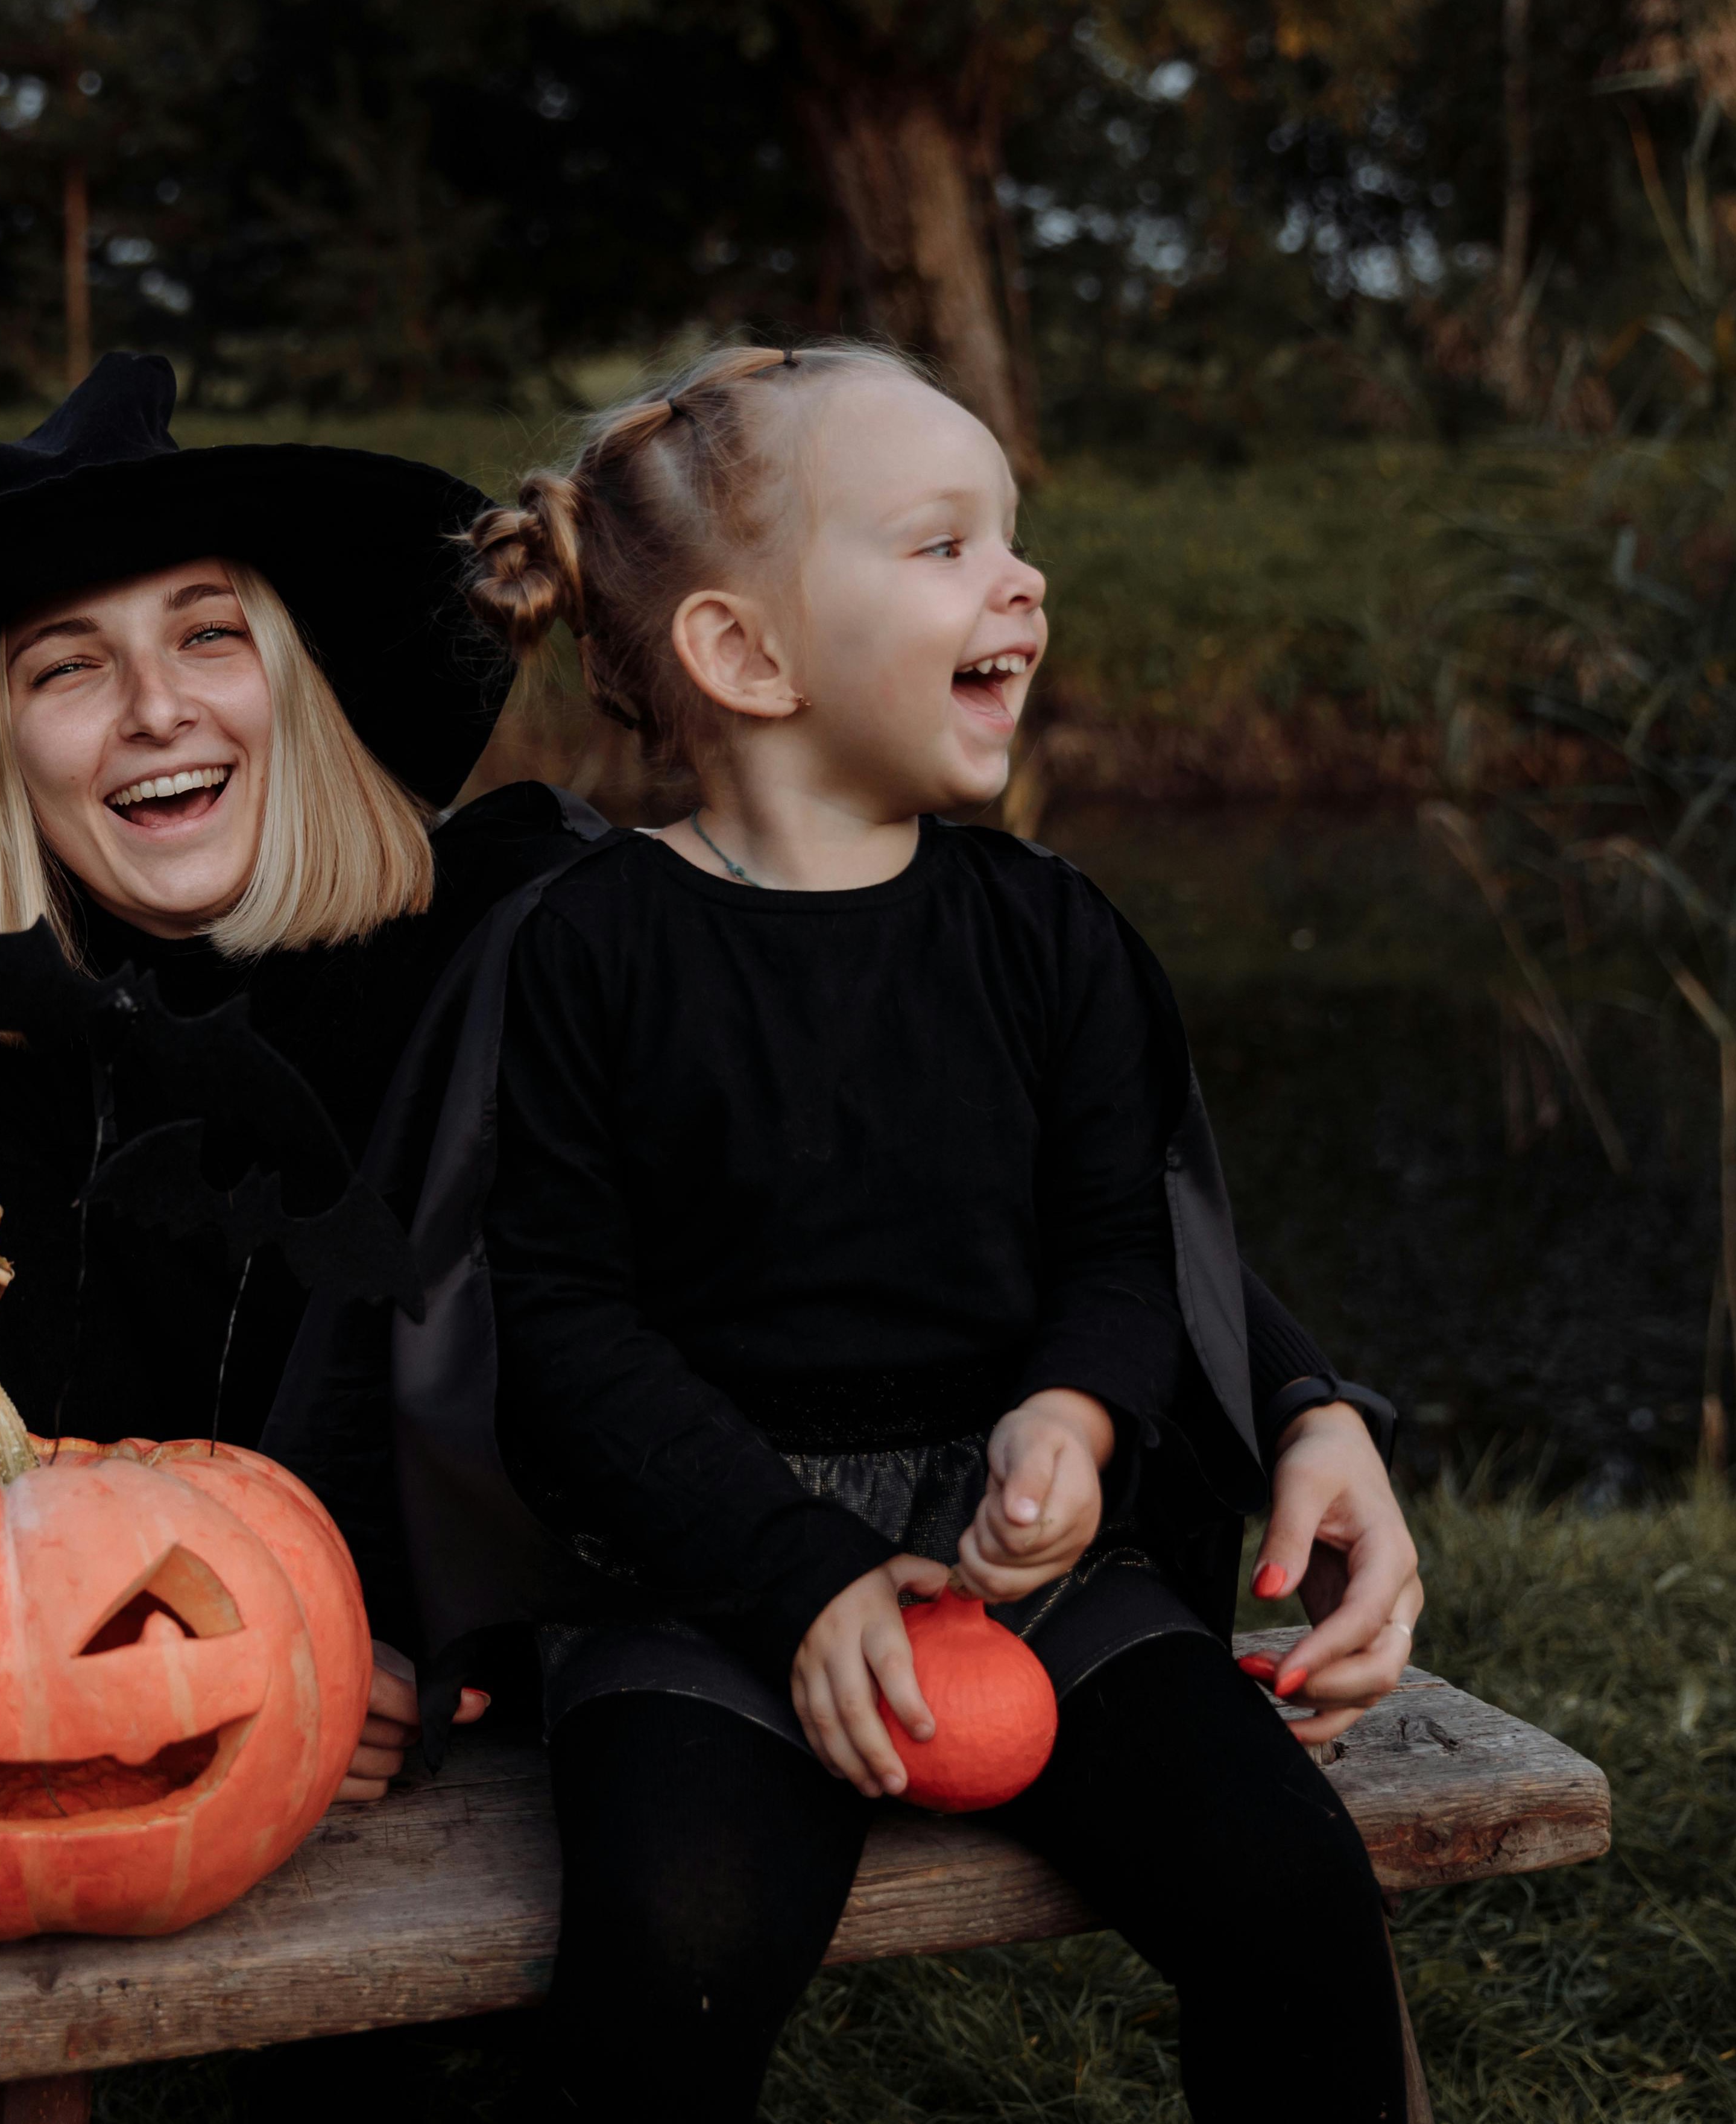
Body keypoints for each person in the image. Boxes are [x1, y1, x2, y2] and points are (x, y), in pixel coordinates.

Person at [453, 343, 1431, 2122]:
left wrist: (1071, 1412)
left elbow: (1119, 1244)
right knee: (671, 1945)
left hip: (1027, 1568)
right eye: (940, 543)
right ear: (742, 655)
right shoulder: (585, 953)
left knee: (1286, 1890)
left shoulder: (1045, 935)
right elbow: (564, 1321)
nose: (1020, 580)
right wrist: (788, 1569)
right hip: (702, 1577)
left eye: (1013, 538)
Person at [0, 352, 576, 1806]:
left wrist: (421, 1649)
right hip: (119, 1723)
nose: (154, 709)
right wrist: (251, 1664)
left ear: (288, 679)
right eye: (68, 667)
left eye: (206, 638)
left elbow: (609, 1372)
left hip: (496, 1701)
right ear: (3, 754)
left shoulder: (510, 942)